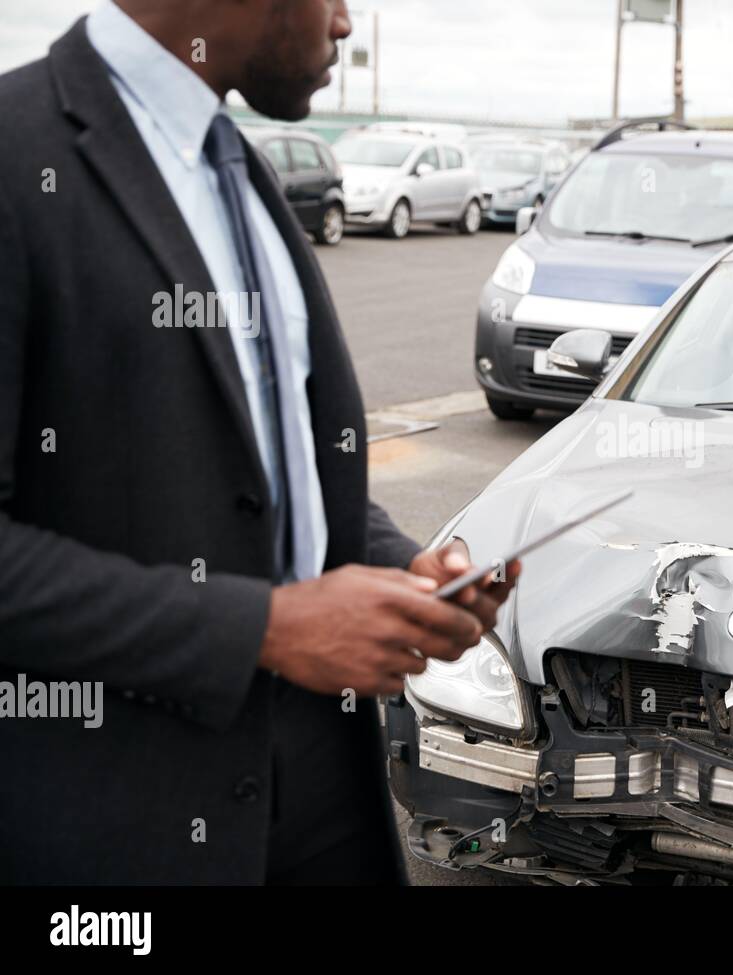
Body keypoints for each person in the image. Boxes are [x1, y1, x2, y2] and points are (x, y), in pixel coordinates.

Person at [0, 0, 519, 884]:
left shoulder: (241, 169)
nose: (347, 25)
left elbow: (286, 478)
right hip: (121, 829)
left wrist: (405, 569)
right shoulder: (17, 157)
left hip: (325, 790)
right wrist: (262, 631)